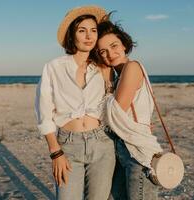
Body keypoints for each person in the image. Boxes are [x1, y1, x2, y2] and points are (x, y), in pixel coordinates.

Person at [35, 6, 115, 200]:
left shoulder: (103, 67)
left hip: (102, 144)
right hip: (68, 145)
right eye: (82, 30)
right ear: (72, 35)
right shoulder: (54, 67)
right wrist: (55, 152)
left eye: (93, 30)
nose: (89, 36)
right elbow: (43, 111)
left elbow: (113, 105)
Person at [95, 16, 163, 200]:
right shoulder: (118, 77)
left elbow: (115, 111)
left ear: (124, 44)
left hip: (139, 155)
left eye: (114, 45)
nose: (110, 53)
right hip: (124, 151)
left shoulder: (132, 67)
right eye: (103, 51)